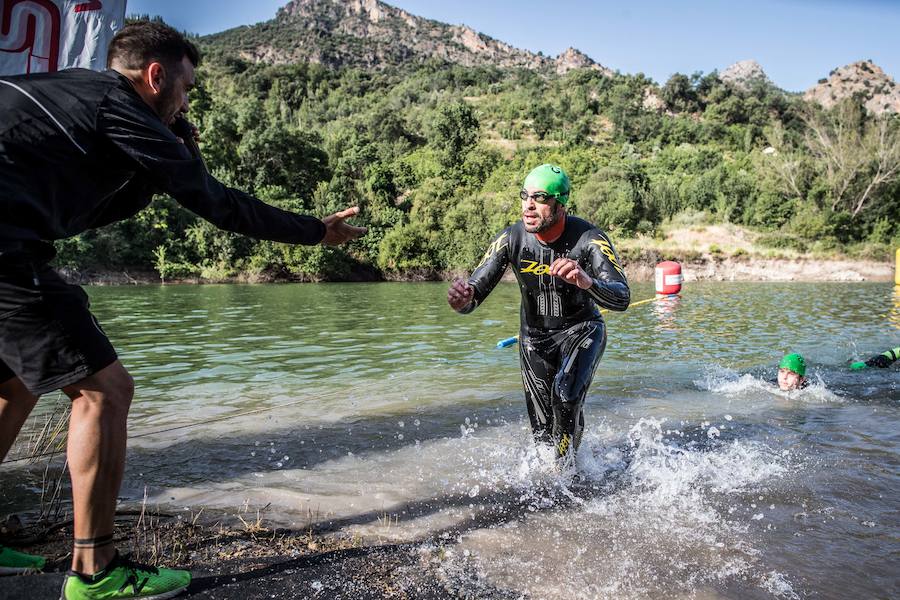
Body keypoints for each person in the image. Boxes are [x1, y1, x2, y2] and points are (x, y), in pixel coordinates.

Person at [0, 21, 365, 599]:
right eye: (187, 89)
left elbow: (86, 212)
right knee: (105, 390)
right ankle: (95, 573)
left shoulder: (73, 93)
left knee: (17, 380)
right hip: (4, 247)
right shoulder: (121, 107)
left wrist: (162, 163)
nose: (186, 101)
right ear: (155, 76)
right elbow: (218, 204)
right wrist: (316, 232)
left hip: (13, 237)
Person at [447, 164, 630, 465]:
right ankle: (553, 473)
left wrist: (587, 281)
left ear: (560, 204)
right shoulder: (511, 239)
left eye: (540, 198)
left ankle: (569, 471)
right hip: (534, 339)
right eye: (525, 196)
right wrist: (462, 302)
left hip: (582, 331)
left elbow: (621, 297)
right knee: (542, 431)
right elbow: (474, 294)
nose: (529, 205)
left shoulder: (589, 238)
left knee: (566, 397)